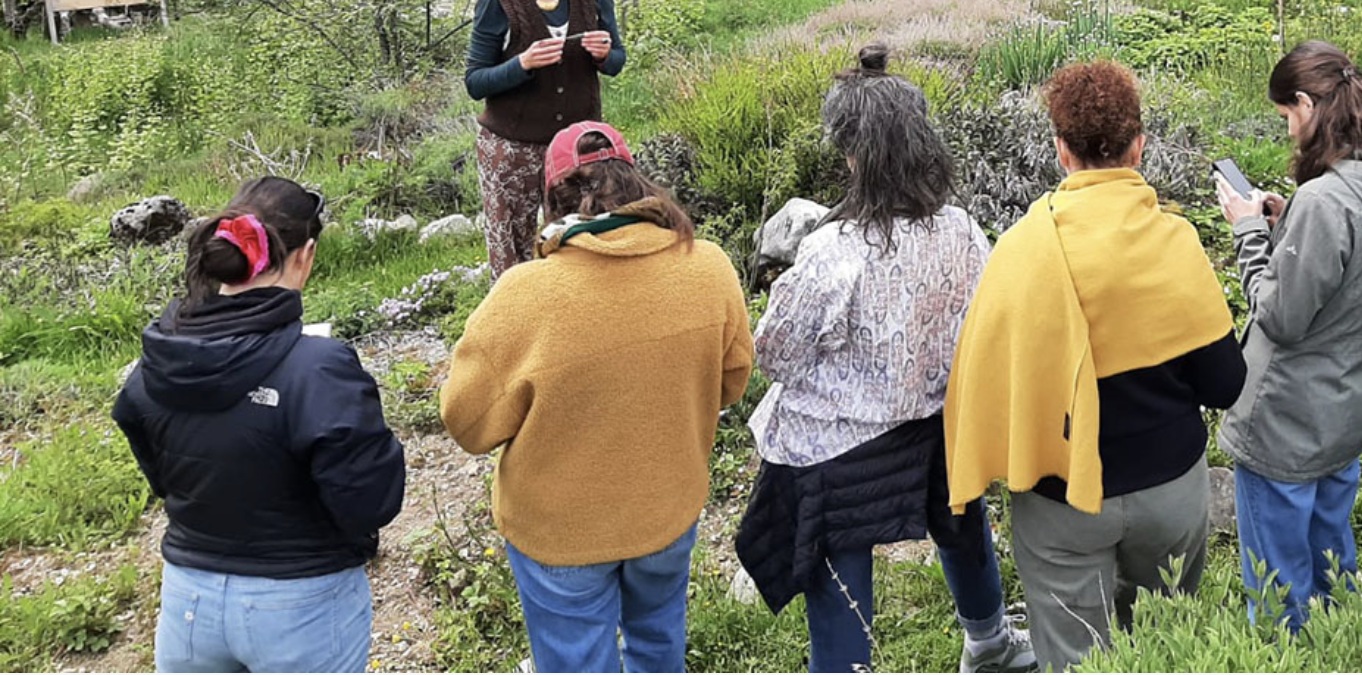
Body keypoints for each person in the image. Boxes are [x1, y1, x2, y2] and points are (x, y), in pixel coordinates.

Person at [733, 45, 1032, 674]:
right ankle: (989, 642)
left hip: (841, 451)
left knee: (837, 536)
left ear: (853, 155)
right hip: (938, 427)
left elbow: (777, 357)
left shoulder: (833, 252)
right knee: (959, 506)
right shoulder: (961, 228)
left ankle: (845, 666)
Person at [946, 60, 1247, 672]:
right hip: (1170, 495)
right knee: (1165, 649)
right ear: (1138, 146)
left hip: (1063, 505)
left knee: (1076, 659)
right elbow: (1226, 384)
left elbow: (985, 383)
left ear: (1061, 151)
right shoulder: (1176, 242)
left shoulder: (1020, 251)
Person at [441, 121, 753, 674]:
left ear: (555, 200)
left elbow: (467, 424)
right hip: (667, 508)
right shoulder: (708, 266)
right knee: (658, 645)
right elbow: (731, 383)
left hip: (559, 533)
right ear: (638, 184)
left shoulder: (524, 294)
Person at [112, 177, 405, 674]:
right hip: (301, 602)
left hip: (188, 600)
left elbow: (158, 469)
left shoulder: (156, 362)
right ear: (305, 255)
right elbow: (370, 503)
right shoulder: (318, 368)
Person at [1213, 42, 1362, 630]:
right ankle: (1342, 652)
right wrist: (1288, 223)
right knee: (1333, 561)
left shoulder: (1324, 201)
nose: (1288, 130)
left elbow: (1280, 317)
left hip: (1285, 414)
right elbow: (1352, 271)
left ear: (1307, 104)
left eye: (1287, 115)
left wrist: (1247, 233)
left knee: (1278, 586)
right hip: (1346, 401)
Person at [466, 0, 627, 278]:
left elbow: (617, 61)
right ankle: (515, 331)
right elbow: (475, 82)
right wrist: (521, 63)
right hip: (512, 148)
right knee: (514, 256)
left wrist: (605, 54)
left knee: (582, 242)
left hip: (580, 150)